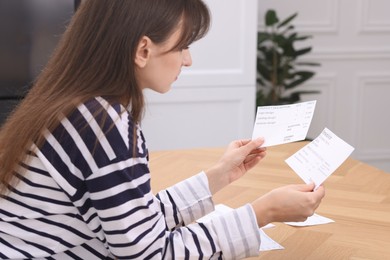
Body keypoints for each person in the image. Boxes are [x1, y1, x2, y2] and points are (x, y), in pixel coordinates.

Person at [0, 0, 325, 259]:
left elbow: (134, 227)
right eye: (183, 46)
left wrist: (219, 176)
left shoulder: (77, 107)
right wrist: (262, 212)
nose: (188, 60)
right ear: (143, 50)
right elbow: (150, 252)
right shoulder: (104, 125)